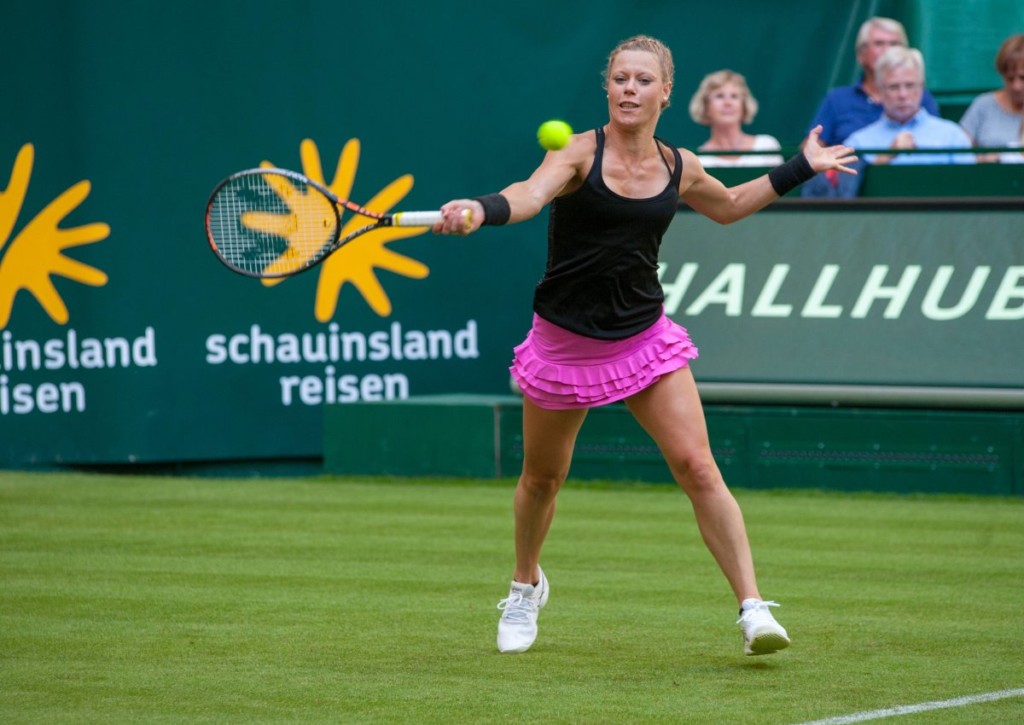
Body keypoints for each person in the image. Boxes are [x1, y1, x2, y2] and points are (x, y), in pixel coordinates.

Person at [432, 35, 856, 657]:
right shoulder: (577, 152)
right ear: (607, 87)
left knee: (699, 467)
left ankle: (753, 609)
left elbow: (732, 205)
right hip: (564, 342)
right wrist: (482, 208)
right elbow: (528, 195)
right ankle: (526, 585)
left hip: (642, 338)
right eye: (620, 79)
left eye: (642, 80)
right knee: (543, 479)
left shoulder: (679, 164)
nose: (630, 89)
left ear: (665, 93)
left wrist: (801, 166)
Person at [807, 16, 941, 147]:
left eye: (894, 44)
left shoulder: (921, 98)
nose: (888, 50)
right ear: (861, 55)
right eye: (879, 44)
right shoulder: (837, 100)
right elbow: (812, 154)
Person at [843, 47, 975, 166]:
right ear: (880, 90)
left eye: (910, 85)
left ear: (922, 86)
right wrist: (884, 158)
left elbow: (971, 187)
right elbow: (846, 190)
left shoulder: (952, 137)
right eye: (893, 87)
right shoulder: (857, 143)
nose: (903, 94)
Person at [689, 70, 784, 167]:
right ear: (706, 107)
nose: (728, 103)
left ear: (744, 106)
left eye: (734, 96)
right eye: (719, 96)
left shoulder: (766, 146)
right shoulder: (699, 160)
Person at [959, 33, 1024, 163]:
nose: (1016, 86)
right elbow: (959, 150)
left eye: (1023, 78)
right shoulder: (983, 105)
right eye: (1010, 78)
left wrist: (1000, 157)